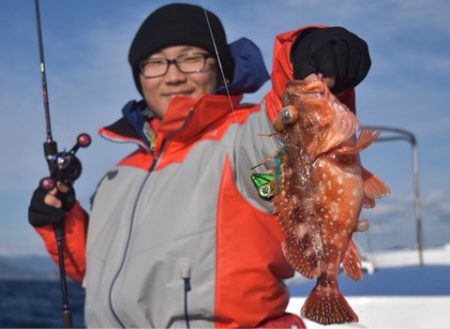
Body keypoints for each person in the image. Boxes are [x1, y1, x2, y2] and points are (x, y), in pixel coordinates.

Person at [28, 3, 371, 328]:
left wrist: (305, 56)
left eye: (192, 59)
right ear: (139, 76)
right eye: (155, 63)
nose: (173, 76)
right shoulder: (117, 175)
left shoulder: (244, 138)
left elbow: (288, 114)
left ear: (220, 67)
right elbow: (98, 272)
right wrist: (62, 223)